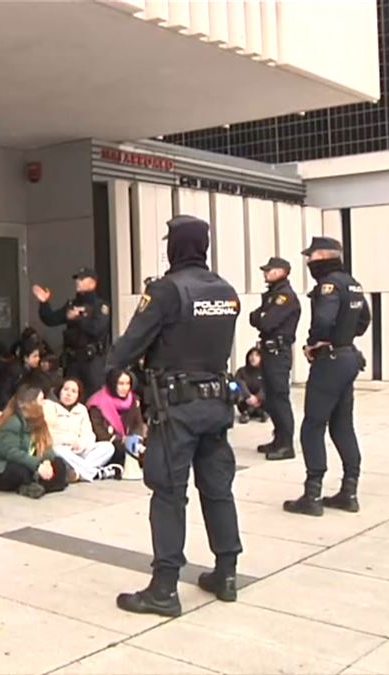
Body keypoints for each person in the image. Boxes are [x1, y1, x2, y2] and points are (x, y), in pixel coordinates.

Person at [106, 215, 242, 616]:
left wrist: (114, 368)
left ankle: (164, 588)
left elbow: (127, 348)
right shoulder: (227, 291)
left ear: (176, 246)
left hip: (176, 409)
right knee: (217, 488)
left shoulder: (166, 291)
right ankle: (227, 573)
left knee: (168, 493)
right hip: (216, 404)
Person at [283, 236, 371, 515]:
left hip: (330, 361)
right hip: (347, 357)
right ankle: (349, 491)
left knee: (313, 426)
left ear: (323, 256)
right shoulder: (353, 283)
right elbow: (364, 320)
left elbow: (323, 319)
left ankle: (312, 495)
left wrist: (315, 342)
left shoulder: (328, 285)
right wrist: (344, 338)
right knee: (343, 425)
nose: (308, 261)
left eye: (311, 256)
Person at [0, 384, 69, 498]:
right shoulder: (11, 421)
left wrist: (47, 461)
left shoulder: (38, 420)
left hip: (30, 462)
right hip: (1, 468)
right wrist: (37, 465)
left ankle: (34, 486)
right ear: (30, 402)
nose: (44, 403)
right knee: (21, 471)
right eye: (41, 400)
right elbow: (10, 452)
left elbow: (46, 445)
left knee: (59, 464)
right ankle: (36, 484)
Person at [32, 267, 111, 398]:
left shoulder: (100, 306)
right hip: (73, 361)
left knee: (94, 399)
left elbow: (96, 329)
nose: (78, 282)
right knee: (69, 397)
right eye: (77, 279)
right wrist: (44, 303)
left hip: (92, 362)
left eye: (81, 279)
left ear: (92, 283)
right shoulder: (71, 305)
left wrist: (78, 319)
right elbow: (51, 320)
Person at [250, 257, 301, 456]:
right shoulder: (273, 295)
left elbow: (266, 323)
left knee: (279, 398)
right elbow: (254, 316)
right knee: (270, 398)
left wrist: (262, 316)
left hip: (278, 353)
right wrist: (260, 316)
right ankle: (278, 438)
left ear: (282, 271)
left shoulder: (284, 297)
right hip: (269, 352)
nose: (265, 273)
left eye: (269, 270)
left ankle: (286, 444)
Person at [43, 378, 120, 482]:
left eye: (73, 391)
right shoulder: (48, 406)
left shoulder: (81, 409)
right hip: (61, 448)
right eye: (66, 389)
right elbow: (47, 434)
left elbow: (89, 434)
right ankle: (96, 473)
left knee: (108, 447)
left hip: (78, 450)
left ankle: (78, 473)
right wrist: (69, 440)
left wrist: (81, 444)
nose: (68, 394)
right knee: (58, 450)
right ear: (59, 390)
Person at [86, 369, 147, 472]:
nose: (125, 388)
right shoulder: (98, 403)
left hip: (131, 441)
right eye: (121, 383)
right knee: (119, 451)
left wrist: (135, 438)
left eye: (127, 383)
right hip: (111, 443)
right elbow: (98, 430)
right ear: (113, 384)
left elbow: (137, 423)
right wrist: (121, 440)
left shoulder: (134, 400)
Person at [0, 339, 44, 412]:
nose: (38, 359)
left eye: (38, 356)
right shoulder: (14, 371)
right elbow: (4, 393)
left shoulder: (36, 371)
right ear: (26, 358)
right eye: (35, 356)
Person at [233, 348, 268, 424]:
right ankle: (248, 412)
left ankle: (258, 412)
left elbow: (267, 386)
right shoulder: (241, 371)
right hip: (245, 401)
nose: (253, 358)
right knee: (237, 387)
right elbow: (238, 383)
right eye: (251, 355)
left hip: (261, 402)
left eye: (256, 355)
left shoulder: (266, 371)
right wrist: (248, 396)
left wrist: (258, 398)